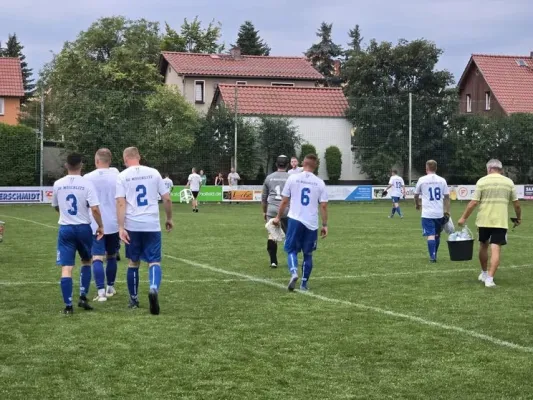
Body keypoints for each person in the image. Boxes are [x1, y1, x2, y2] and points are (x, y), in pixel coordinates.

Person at [116, 147, 173, 315]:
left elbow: (120, 202)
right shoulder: (154, 173)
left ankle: (133, 299)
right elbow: (167, 198)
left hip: (133, 225)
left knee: (133, 262)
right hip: (152, 224)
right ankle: (153, 288)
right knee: (154, 261)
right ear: (139, 157)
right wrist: (169, 218)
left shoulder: (123, 176)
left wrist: (120, 227)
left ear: (125, 159)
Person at [52, 153, 104, 315]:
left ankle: (68, 306)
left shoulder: (58, 184)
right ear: (81, 165)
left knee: (67, 267)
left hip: (66, 229)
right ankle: (82, 297)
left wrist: (64, 215)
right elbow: (94, 208)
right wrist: (101, 226)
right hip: (83, 228)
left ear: (66, 165)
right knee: (86, 261)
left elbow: (55, 205)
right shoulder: (87, 184)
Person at [458, 159, 521, 288]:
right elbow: (516, 204)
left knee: (483, 245)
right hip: (500, 221)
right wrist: (518, 217)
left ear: (489, 169)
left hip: (483, 220)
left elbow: (473, 202)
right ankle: (490, 279)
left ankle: (484, 273)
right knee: (495, 248)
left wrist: (463, 218)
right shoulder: (509, 182)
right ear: (501, 169)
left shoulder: (482, 181)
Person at [274, 154, 328, 291]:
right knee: (308, 254)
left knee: (291, 250)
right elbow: (323, 206)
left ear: (303, 163)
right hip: (311, 223)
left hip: (295, 219)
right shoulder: (320, 183)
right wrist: (325, 225)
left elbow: (285, 201)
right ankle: (304, 284)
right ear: (315, 166)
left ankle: (293, 272)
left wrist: (278, 217)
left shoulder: (293, 178)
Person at [84, 148, 120, 301]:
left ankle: (100, 293)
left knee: (97, 257)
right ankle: (110, 287)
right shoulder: (117, 174)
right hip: (114, 223)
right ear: (110, 161)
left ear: (96, 161)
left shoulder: (87, 177)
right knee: (111, 256)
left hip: (95, 224)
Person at [414, 160, 450, 263]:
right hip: (439, 212)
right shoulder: (442, 180)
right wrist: (447, 211)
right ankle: (435, 253)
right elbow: (447, 197)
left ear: (426, 168)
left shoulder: (422, 180)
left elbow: (416, 195)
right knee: (437, 234)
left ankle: (432, 257)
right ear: (436, 168)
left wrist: (417, 204)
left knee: (430, 234)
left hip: (427, 213)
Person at [262, 155, 290, 268]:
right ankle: (292, 258)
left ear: (276, 164)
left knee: (272, 234)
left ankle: (273, 261)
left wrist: (264, 212)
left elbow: (264, 198)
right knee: (290, 235)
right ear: (287, 165)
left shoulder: (269, 177)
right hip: (287, 209)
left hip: (272, 209)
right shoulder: (291, 177)